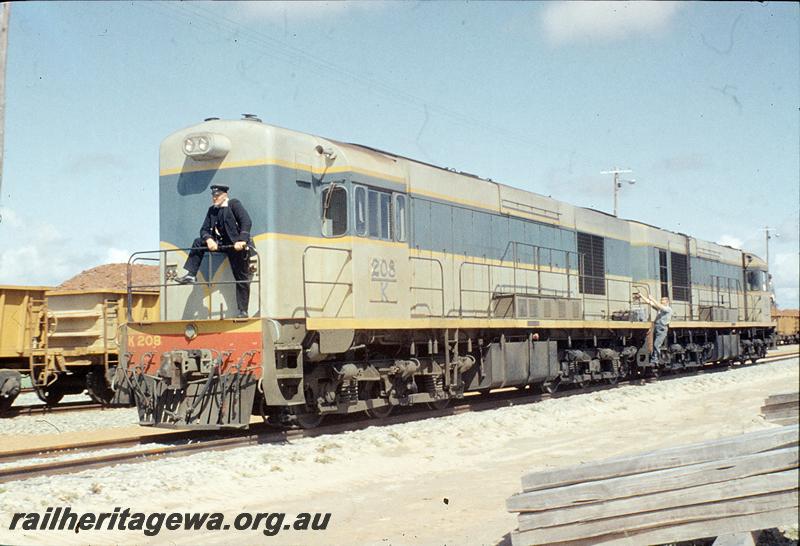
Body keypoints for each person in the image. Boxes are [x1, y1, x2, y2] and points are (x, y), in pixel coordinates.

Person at [175, 184, 253, 318]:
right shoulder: (212, 210)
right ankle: (191, 274)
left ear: (224, 195)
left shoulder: (234, 204)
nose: (214, 198)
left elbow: (246, 222)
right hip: (220, 244)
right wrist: (209, 239)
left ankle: (243, 310)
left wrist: (242, 240)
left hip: (235, 246)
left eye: (217, 196)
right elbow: (204, 230)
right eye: (213, 196)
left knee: (241, 278)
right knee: (198, 242)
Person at [638, 293, 673, 365]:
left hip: (662, 329)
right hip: (656, 327)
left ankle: (655, 360)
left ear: (667, 302)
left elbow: (660, 306)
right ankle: (654, 358)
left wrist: (652, 298)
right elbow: (650, 302)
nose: (661, 301)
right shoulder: (660, 308)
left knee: (656, 345)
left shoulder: (668, 309)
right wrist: (641, 295)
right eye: (661, 300)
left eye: (662, 300)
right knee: (653, 344)